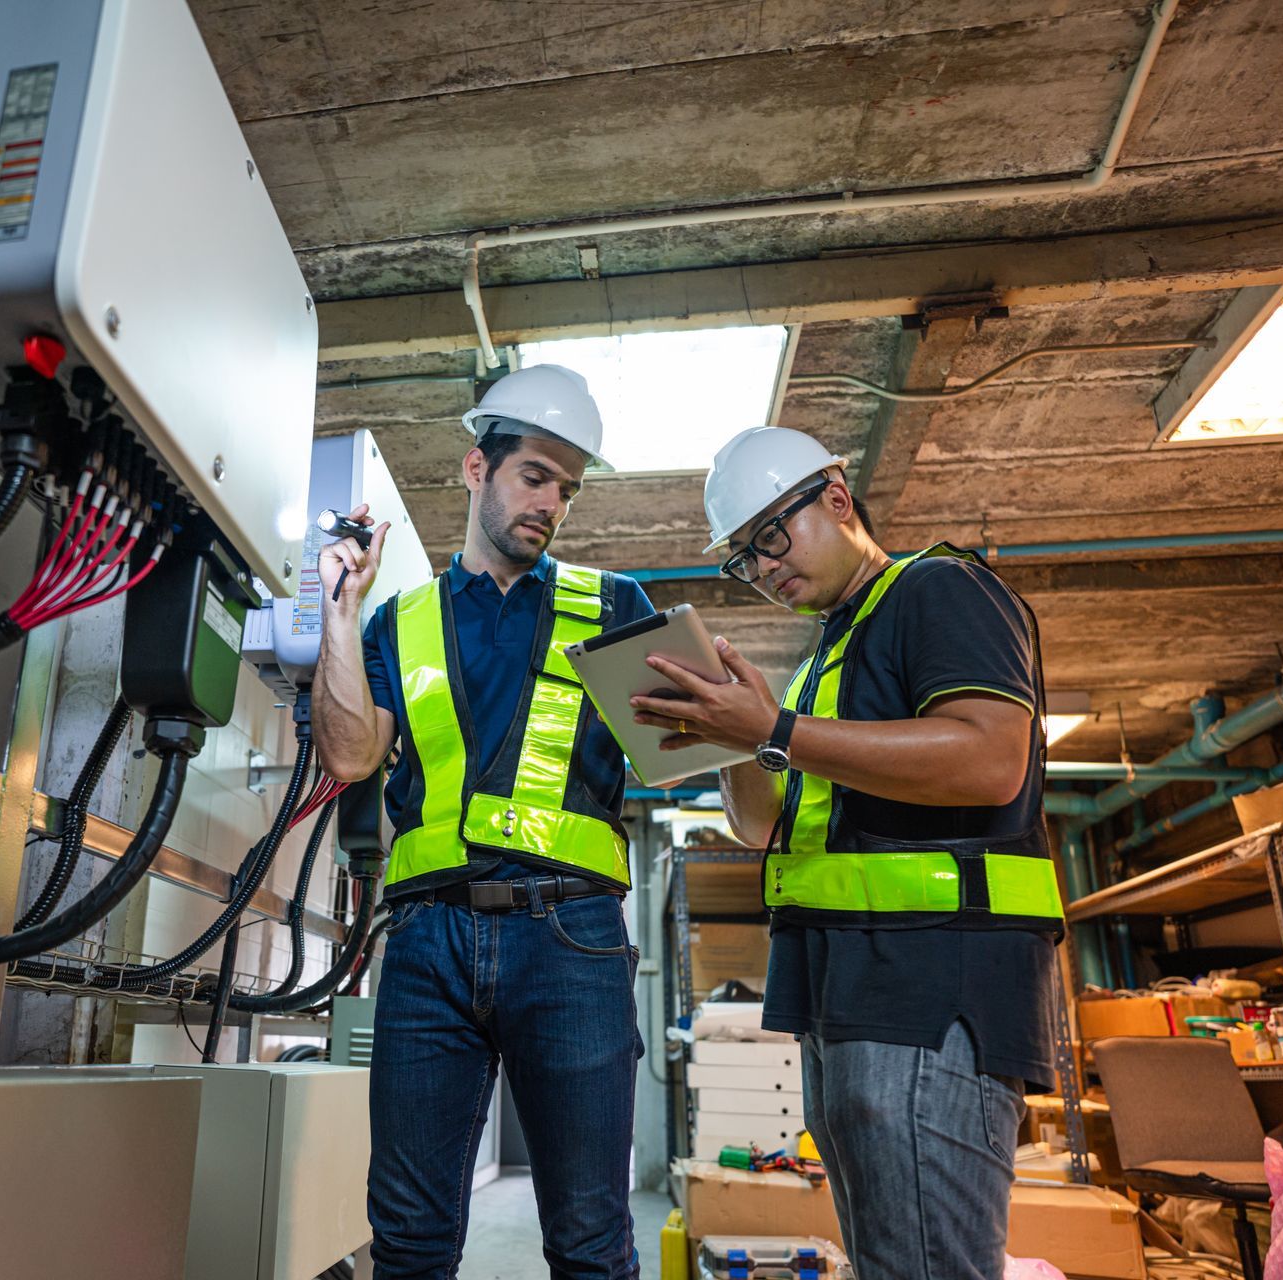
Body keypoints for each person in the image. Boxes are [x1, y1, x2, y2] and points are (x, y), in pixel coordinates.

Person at [630, 425, 1066, 1280]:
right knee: (890, 1261)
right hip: (846, 993)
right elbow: (764, 830)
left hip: (934, 987)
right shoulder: (823, 655)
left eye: (770, 537)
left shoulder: (937, 590)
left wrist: (778, 731)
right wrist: (730, 737)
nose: (763, 569)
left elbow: (988, 758)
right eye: (744, 559)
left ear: (836, 499)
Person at [313, 364, 656, 1280]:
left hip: (572, 940)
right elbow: (349, 756)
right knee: (412, 1241)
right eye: (534, 476)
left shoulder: (616, 607)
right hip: (427, 946)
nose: (552, 503)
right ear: (476, 469)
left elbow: (685, 754)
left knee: (590, 1238)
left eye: (567, 488)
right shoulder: (398, 619)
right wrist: (338, 612)